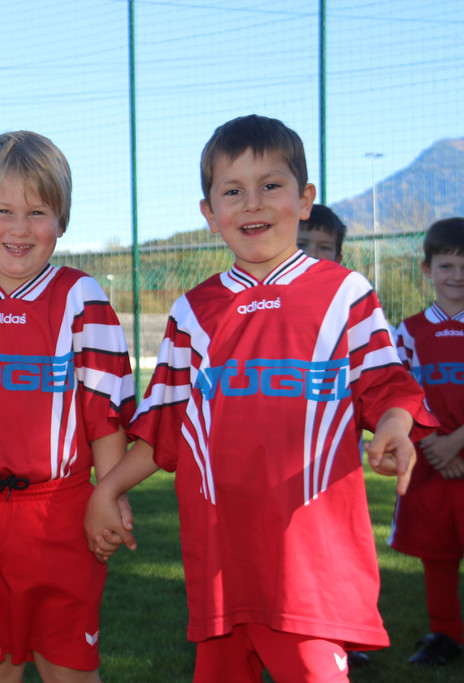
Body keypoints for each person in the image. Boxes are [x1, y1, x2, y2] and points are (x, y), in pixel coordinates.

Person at [85, 114, 437, 682]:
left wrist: (395, 426)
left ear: (305, 200)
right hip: (221, 567)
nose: (252, 203)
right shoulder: (193, 312)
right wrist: (109, 489)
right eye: (233, 191)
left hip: (310, 570)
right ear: (209, 212)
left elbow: (387, 385)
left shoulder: (345, 295)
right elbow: (167, 425)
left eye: (270, 185)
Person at [0, 130, 136, 683]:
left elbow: (104, 410)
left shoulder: (81, 298)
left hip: (65, 512)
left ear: (61, 221)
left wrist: (110, 494)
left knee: (70, 671)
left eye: (37, 212)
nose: (19, 229)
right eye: (3, 211)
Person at [388, 217, 464, 667]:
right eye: (447, 265)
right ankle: (446, 634)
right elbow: (399, 391)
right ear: (427, 269)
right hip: (430, 460)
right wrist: (435, 442)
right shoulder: (410, 330)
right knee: (436, 553)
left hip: (453, 451)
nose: (457, 276)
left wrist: (457, 442)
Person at [298, 203, 369, 669]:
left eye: (325, 248)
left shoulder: (350, 306)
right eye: (304, 245)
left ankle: (344, 637)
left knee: (335, 557)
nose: (314, 255)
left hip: (332, 469)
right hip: (273, 473)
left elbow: (380, 381)